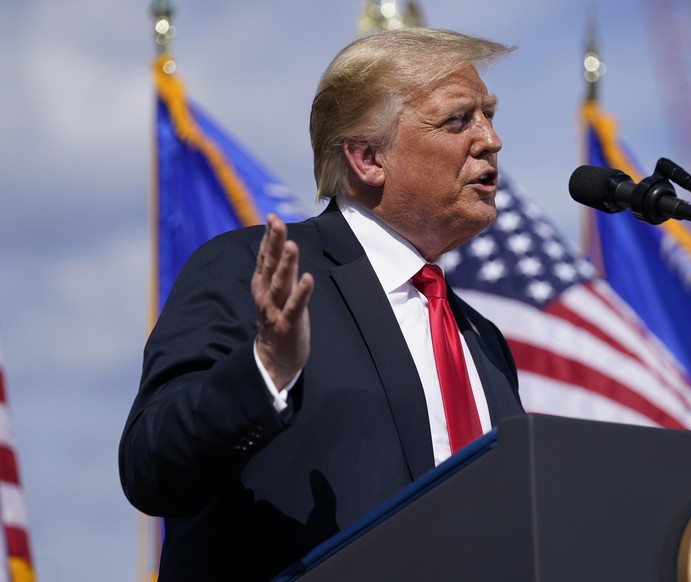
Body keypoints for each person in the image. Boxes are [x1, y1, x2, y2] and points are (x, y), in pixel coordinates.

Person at [119, 27, 524, 581]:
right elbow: (151, 466)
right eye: (458, 120)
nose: (490, 139)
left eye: (489, 115)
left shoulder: (482, 341)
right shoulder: (246, 270)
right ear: (367, 158)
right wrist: (264, 369)